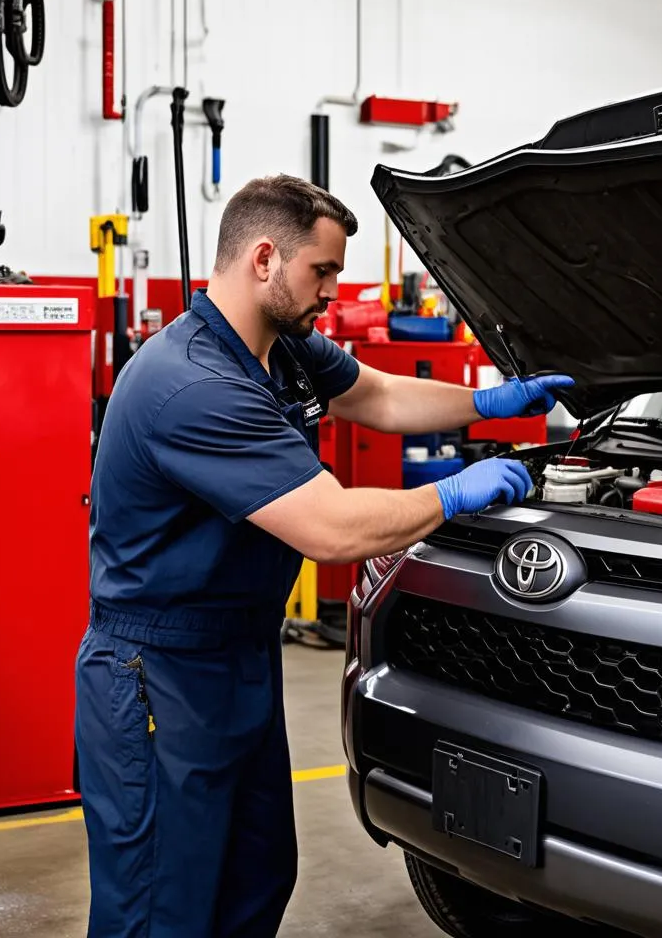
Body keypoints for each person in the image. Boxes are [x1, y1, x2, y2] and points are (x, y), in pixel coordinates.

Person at [74, 174, 573, 938]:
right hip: (158, 678)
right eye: (324, 272)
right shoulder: (192, 384)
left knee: (255, 876)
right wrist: (453, 494)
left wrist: (487, 403)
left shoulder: (284, 349)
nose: (333, 292)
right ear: (265, 259)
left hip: (240, 654)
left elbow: (374, 396)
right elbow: (330, 529)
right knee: (162, 907)